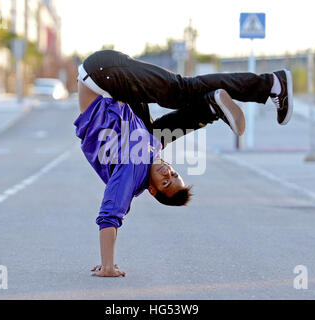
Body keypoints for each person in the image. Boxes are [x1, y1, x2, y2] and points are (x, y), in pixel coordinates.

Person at [74, 50, 293, 277]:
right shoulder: (148, 152)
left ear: (151, 189)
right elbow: (161, 137)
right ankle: (210, 107)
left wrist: (108, 265)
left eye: (165, 182)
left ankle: (271, 84)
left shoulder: (133, 167)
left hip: (102, 77)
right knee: (157, 135)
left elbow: (110, 214)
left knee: (181, 91)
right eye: (174, 175)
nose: (167, 172)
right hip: (108, 81)